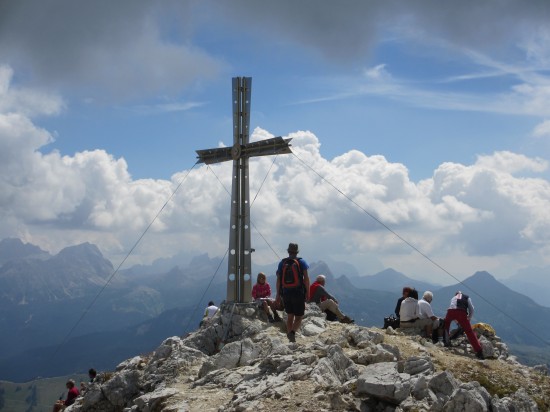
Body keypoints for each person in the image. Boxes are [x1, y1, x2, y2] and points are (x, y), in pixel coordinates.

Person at [276, 242, 310, 343]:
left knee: (290, 316)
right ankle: (292, 333)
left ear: (288, 251)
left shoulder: (282, 263)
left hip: (285, 293)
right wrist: (308, 292)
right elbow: (306, 279)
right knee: (299, 317)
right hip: (298, 293)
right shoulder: (302, 262)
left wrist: (278, 294)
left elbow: (278, 280)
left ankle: (290, 339)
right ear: (297, 251)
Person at [444, 291, 484, 359]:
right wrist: (469, 318)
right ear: (461, 294)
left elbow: (452, 308)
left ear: (456, 294)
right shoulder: (467, 297)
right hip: (462, 313)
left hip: (450, 311)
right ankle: (479, 351)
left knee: (446, 325)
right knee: (469, 332)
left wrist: (457, 321)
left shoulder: (453, 298)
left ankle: (445, 342)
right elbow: (471, 309)